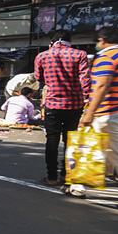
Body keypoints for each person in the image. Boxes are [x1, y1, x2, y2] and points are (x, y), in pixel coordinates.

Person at [33, 30, 90, 186]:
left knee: (52, 141)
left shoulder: (42, 56)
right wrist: (87, 98)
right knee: (70, 140)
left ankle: (52, 177)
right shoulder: (80, 55)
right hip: (75, 104)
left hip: (53, 104)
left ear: (52, 42)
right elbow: (85, 79)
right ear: (69, 41)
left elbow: (39, 78)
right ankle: (66, 175)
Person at [79, 25, 118, 183]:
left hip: (107, 112)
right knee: (113, 152)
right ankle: (79, 185)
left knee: (89, 148)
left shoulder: (107, 57)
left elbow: (102, 86)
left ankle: (79, 186)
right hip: (117, 113)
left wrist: (89, 113)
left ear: (102, 41)